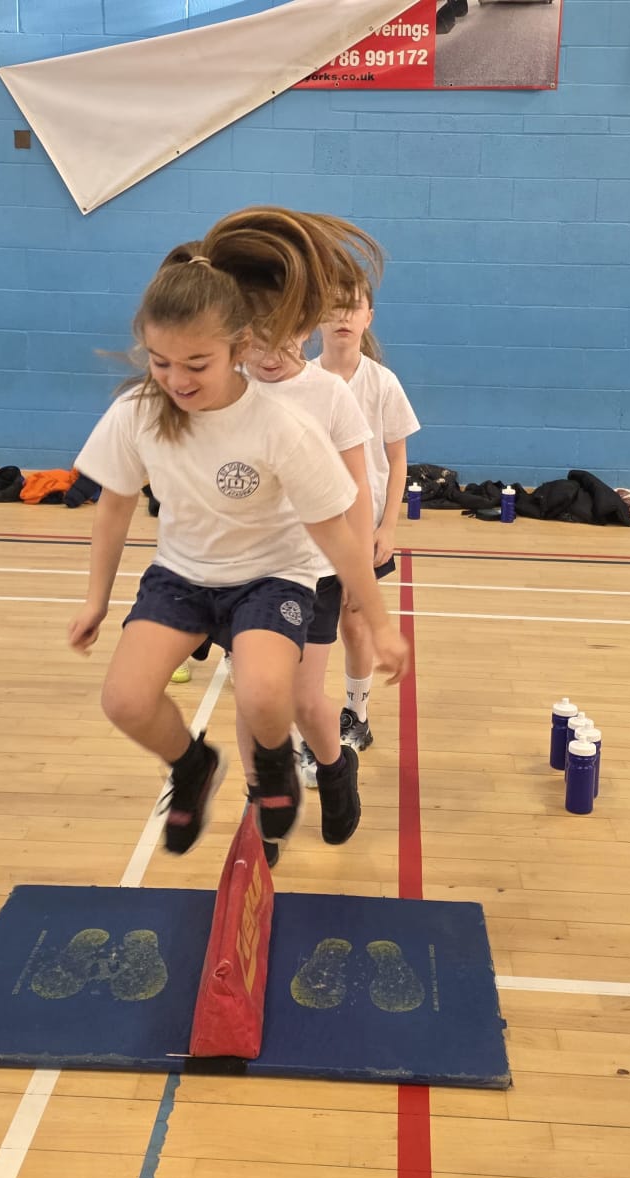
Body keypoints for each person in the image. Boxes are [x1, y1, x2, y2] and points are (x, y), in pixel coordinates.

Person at [67, 207, 410, 860]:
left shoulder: (289, 420)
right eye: (161, 362)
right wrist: (95, 599)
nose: (177, 380)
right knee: (132, 699)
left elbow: (340, 524)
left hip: (281, 573)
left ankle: (297, 774)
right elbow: (113, 506)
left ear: (237, 347)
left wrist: (379, 618)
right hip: (188, 575)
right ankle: (206, 773)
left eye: (196, 363)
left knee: (278, 696)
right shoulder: (146, 409)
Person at [240, 324, 375, 861]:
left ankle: (336, 768)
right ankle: (263, 807)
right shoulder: (228, 386)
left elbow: (358, 489)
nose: (268, 356)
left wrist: (359, 571)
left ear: (302, 328)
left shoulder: (329, 393)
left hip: (316, 570)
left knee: (302, 698)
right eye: (254, 341)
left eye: (280, 340)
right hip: (248, 572)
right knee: (254, 696)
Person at [315, 279, 420, 753]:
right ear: (316, 317)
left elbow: (397, 459)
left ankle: (356, 715)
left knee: (355, 624)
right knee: (307, 633)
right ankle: (309, 718)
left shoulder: (383, 383)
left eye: (353, 307)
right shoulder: (303, 381)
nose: (343, 316)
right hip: (313, 535)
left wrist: (388, 526)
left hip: (365, 530)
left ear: (368, 317)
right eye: (333, 306)